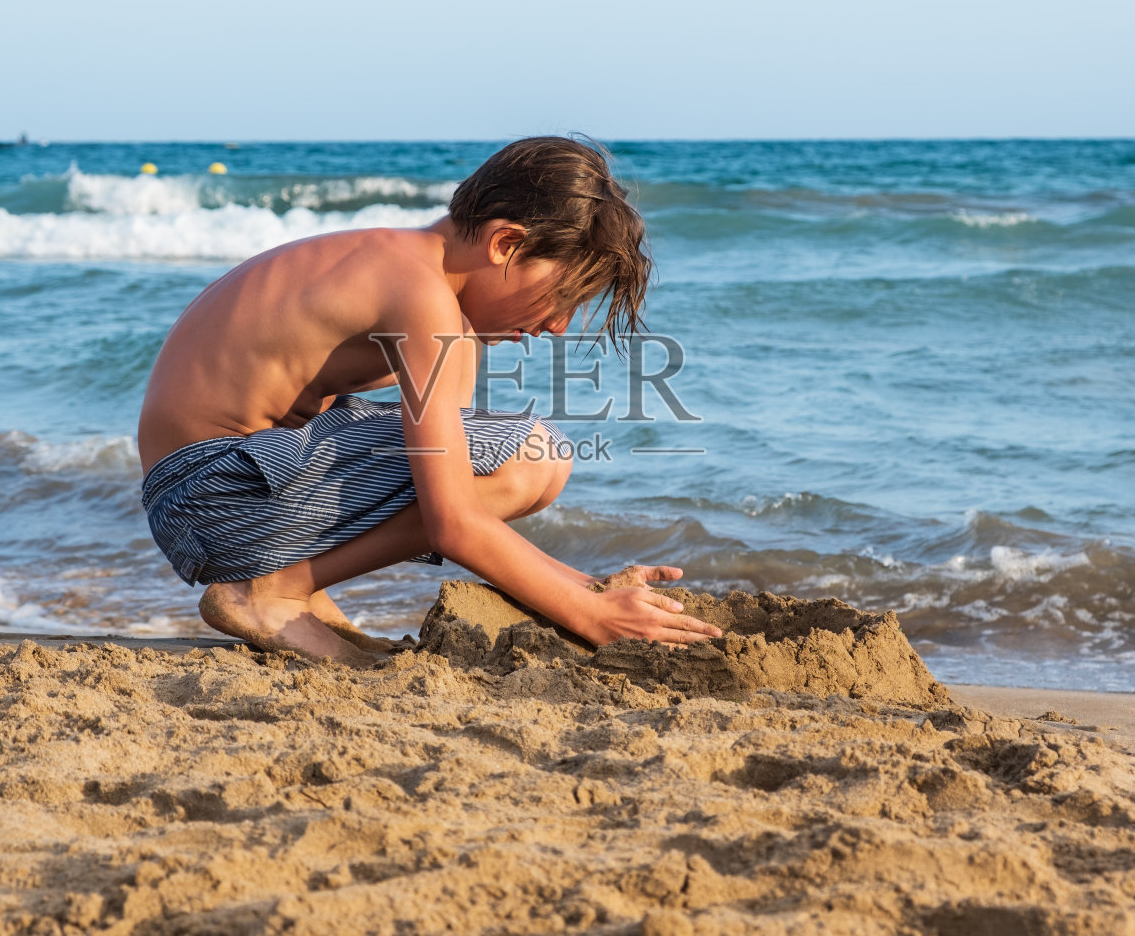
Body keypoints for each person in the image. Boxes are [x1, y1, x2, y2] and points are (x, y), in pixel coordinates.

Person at [137, 136, 723, 665]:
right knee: (531, 456)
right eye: (562, 296)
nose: (559, 327)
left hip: (212, 498)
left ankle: (294, 589)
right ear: (506, 244)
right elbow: (452, 521)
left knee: (509, 455)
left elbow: (451, 494)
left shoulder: (420, 281)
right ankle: (268, 593)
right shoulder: (419, 294)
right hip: (212, 496)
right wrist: (592, 616)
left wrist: (589, 589)